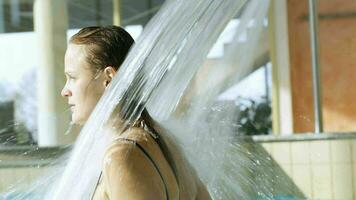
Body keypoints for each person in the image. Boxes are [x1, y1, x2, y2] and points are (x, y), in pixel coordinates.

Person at [61, 26, 211, 200]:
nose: (65, 91)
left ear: (108, 79)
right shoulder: (163, 139)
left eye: (72, 78)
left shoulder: (122, 155)